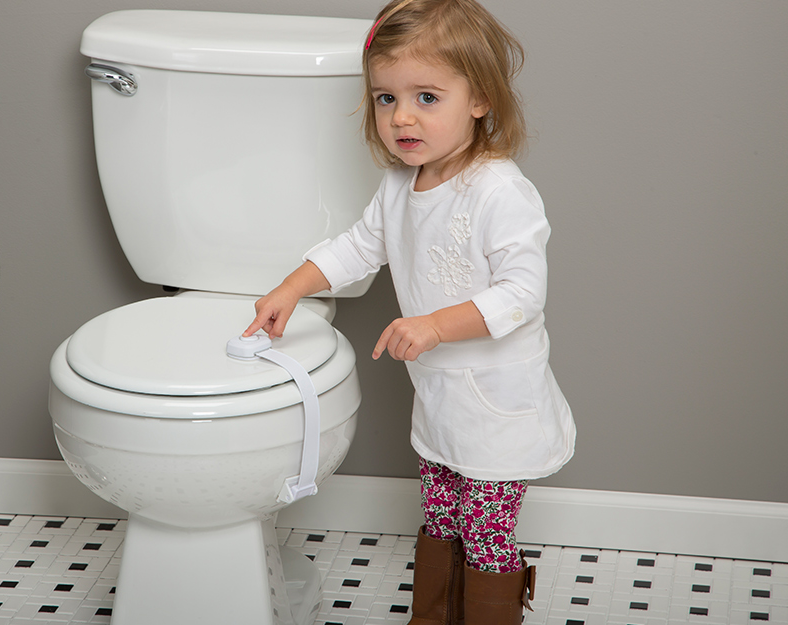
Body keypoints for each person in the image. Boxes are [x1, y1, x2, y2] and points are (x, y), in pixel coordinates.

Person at [243, 0, 576, 623]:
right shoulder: (402, 182)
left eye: (426, 97)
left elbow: (523, 293)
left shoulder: (498, 191)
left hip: (499, 403)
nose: (401, 117)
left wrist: (436, 324)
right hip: (441, 395)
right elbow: (357, 246)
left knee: (485, 538)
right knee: (441, 517)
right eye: (385, 98)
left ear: (480, 99)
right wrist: (294, 285)